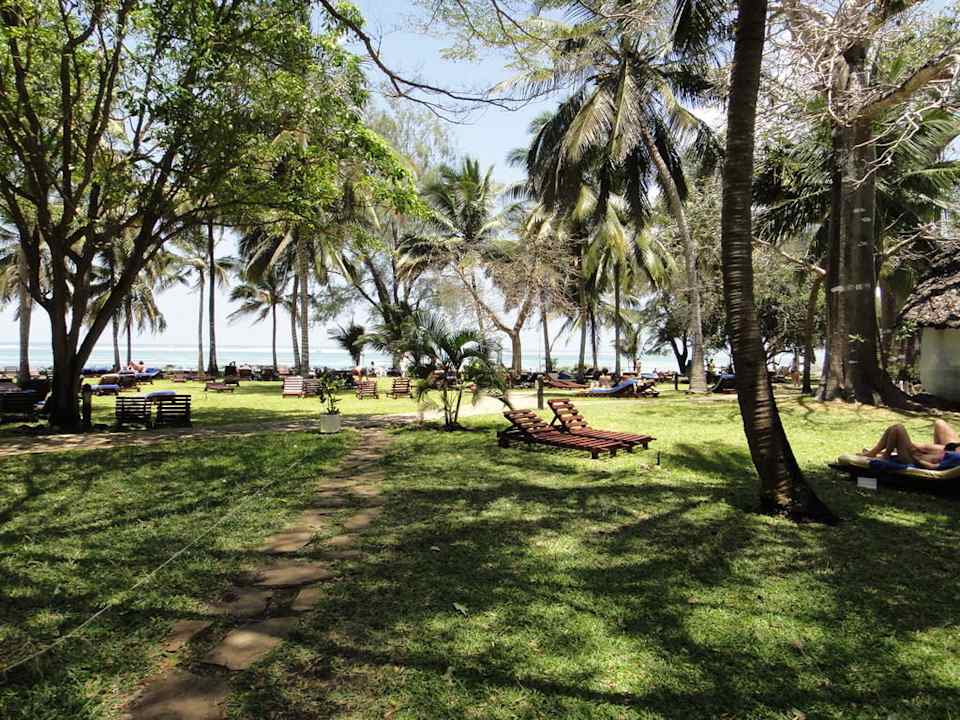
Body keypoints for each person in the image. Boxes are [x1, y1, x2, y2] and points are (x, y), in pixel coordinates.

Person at [861, 420, 960, 469]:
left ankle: (884, 456)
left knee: (897, 429)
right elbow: (934, 449)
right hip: (920, 455)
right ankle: (875, 452)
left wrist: (918, 460)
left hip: (912, 461)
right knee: (895, 429)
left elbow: (934, 467)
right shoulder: (954, 450)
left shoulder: (955, 458)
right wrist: (916, 448)